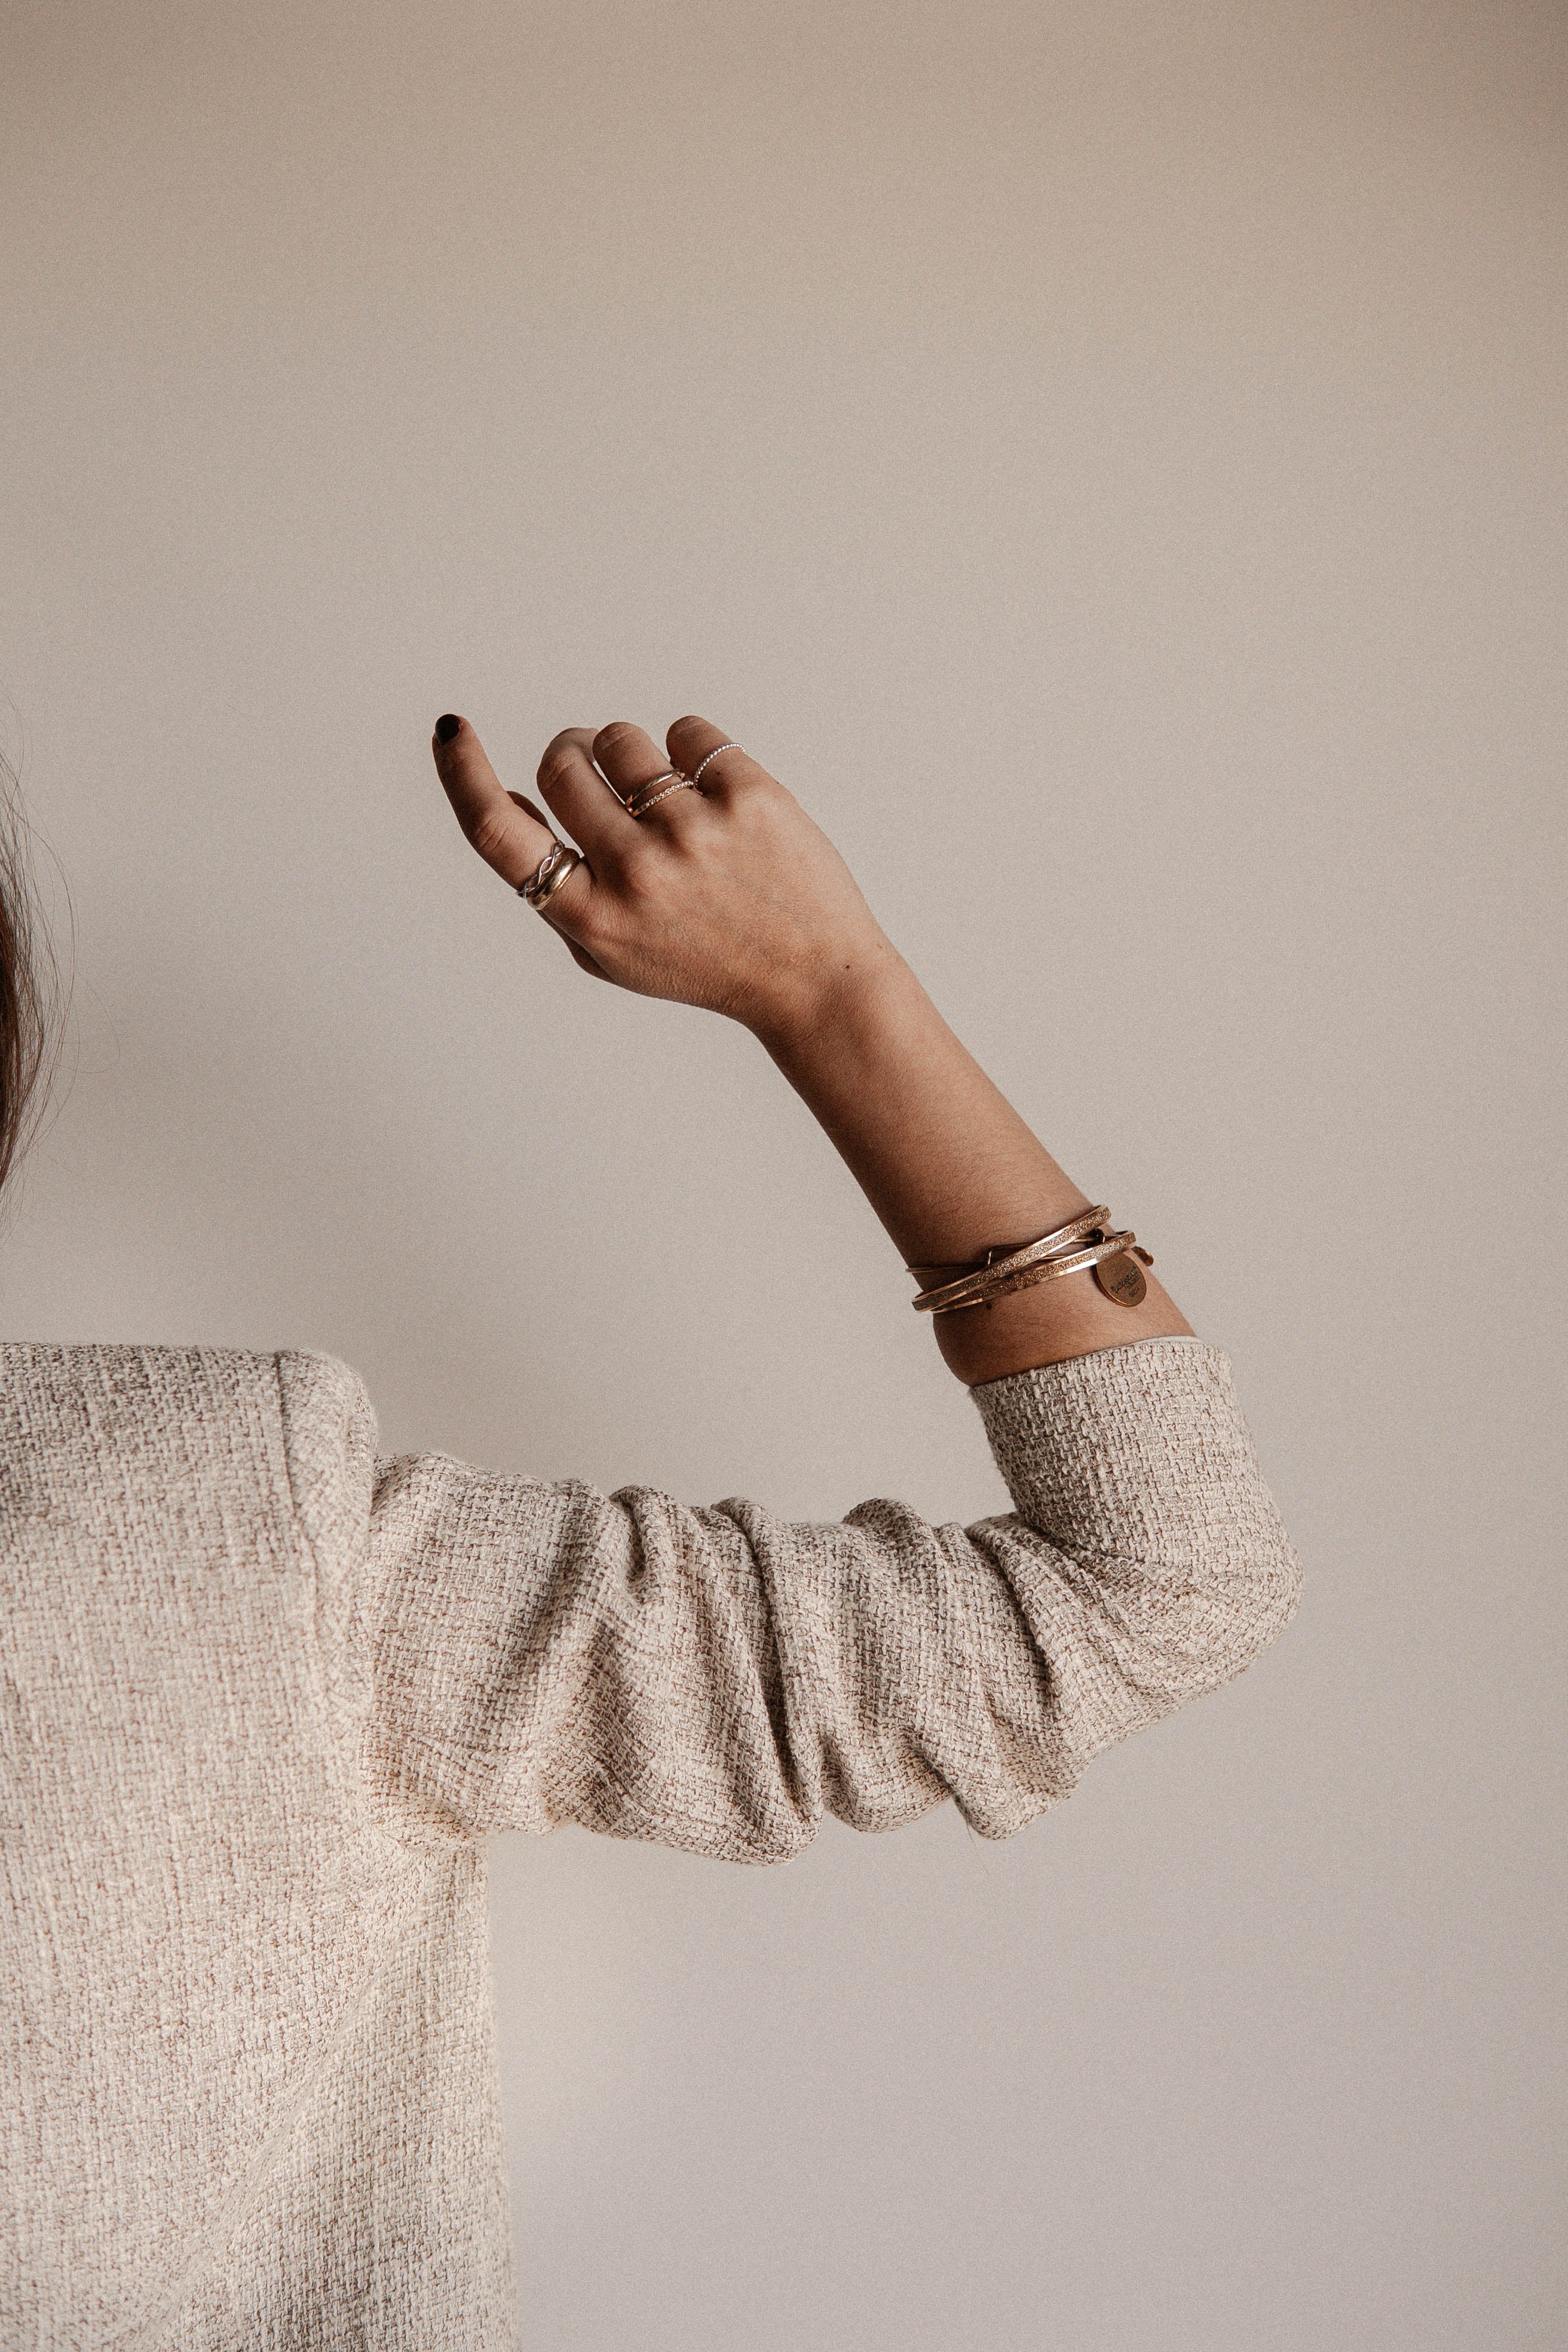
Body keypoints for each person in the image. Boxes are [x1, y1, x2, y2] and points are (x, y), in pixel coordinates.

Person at [0, 712, 1302, 2348]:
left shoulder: (221, 1537)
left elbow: (1151, 1586)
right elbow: (1156, 1584)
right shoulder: (222, 1533)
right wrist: (835, 991)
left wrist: (841, 1003)